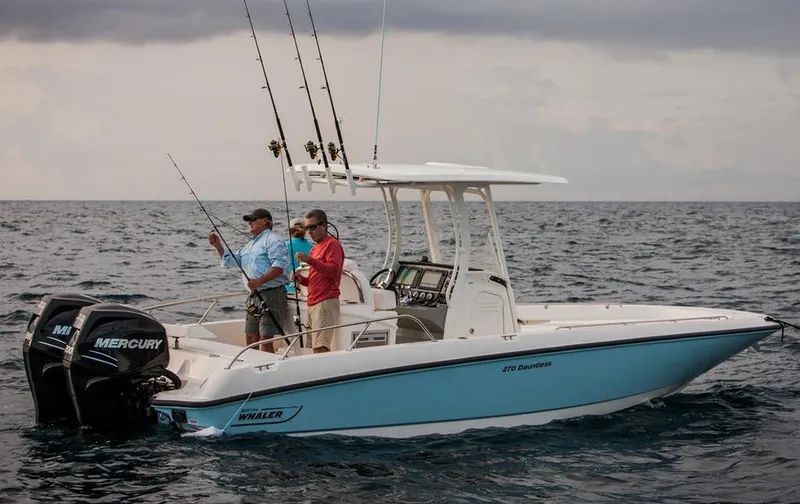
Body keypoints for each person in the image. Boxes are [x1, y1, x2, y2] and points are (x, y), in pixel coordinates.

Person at [209, 208, 289, 353]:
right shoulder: (250, 245)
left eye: (253, 219)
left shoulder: (273, 240)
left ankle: (266, 370)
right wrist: (218, 246)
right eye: (248, 221)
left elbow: (279, 267)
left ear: (265, 221)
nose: (250, 223)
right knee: (251, 337)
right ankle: (252, 365)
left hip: (272, 294)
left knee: (266, 338)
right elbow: (232, 261)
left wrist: (258, 281)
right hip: (254, 297)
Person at [291, 209, 344, 353]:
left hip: (325, 302)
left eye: (313, 227)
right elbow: (313, 280)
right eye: (307, 228)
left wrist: (310, 261)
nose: (309, 232)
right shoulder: (314, 249)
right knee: (313, 347)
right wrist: (301, 279)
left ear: (324, 225)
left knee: (320, 348)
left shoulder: (332, 245)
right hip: (312, 302)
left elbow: (333, 270)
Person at [285, 217, 314, 294]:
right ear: (305, 231)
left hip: (288, 289)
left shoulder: (283, 246)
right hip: (307, 289)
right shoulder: (313, 248)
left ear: (290, 231)